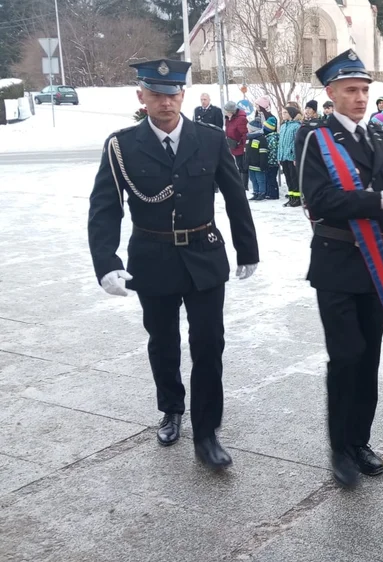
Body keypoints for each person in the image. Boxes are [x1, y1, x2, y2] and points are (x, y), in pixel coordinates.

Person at [88, 59, 258, 470]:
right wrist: (106, 262)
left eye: (173, 93)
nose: (166, 102)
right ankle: (172, 408)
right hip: (153, 258)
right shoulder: (122, 146)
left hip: (204, 254)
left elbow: (236, 198)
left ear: (183, 94)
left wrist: (247, 250)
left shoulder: (210, 139)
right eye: (157, 94)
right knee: (162, 341)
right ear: (141, 96)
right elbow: (105, 209)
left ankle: (206, 431)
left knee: (208, 343)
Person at [299, 50, 383, 489]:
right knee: (344, 357)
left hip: (373, 264)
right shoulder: (316, 138)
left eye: (365, 90)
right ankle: (338, 448)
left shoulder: (380, 138)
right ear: (331, 93)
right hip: (336, 263)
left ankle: (360, 441)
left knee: (367, 360)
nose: (361, 97)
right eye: (351, 90)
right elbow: (320, 201)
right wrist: (377, 201)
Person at [278, 104, 303, 207]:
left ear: (291, 114)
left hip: (291, 156)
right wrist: (279, 156)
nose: (283, 115)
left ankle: (297, 198)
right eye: (282, 113)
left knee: (294, 177)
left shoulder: (296, 126)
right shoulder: (283, 126)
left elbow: (296, 143)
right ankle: (291, 197)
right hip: (284, 156)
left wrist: (295, 156)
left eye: (285, 113)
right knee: (288, 178)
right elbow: (281, 142)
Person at [224, 101, 248, 187]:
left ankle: (244, 184)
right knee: (238, 164)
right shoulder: (228, 118)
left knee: (243, 165)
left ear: (232, 111)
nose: (226, 113)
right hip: (233, 145)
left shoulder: (241, 119)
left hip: (240, 145)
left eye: (227, 111)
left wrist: (243, 145)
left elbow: (245, 134)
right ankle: (240, 183)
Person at [246, 119, 267, 201]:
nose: (248, 129)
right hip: (251, 164)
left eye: (249, 128)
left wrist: (263, 164)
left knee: (260, 179)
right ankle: (256, 192)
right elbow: (247, 152)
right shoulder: (249, 138)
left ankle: (262, 193)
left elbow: (263, 153)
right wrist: (246, 162)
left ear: (254, 129)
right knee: (253, 179)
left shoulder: (261, 139)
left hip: (258, 164)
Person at [262, 116, 280, 200]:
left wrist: (270, 160)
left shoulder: (272, 138)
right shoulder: (269, 137)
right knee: (269, 178)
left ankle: (274, 194)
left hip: (272, 162)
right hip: (271, 161)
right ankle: (269, 192)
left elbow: (273, 151)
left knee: (272, 178)